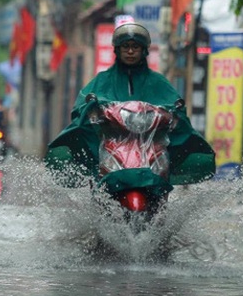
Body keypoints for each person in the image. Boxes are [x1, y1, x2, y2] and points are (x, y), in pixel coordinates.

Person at [45, 20, 215, 188]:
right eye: (126, 47)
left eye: (136, 47)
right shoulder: (103, 80)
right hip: (111, 146)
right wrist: (91, 109)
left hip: (151, 147)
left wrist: (173, 115)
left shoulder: (157, 82)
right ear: (117, 50)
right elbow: (82, 106)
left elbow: (175, 106)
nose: (131, 51)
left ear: (144, 51)